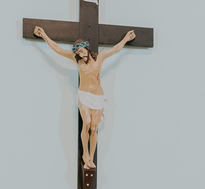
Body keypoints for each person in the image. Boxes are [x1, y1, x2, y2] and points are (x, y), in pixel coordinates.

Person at [34, 26, 136, 170]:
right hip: (84, 95)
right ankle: (85, 154)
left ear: (86, 48)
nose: (79, 53)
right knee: (86, 123)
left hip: (98, 96)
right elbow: (57, 48)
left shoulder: (99, 58)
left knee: (94, 128)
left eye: (81, 50)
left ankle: (90, 158)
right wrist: (44, 35)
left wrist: (126, 38)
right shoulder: (78, 61)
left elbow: (115, 49)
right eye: (77, 52)